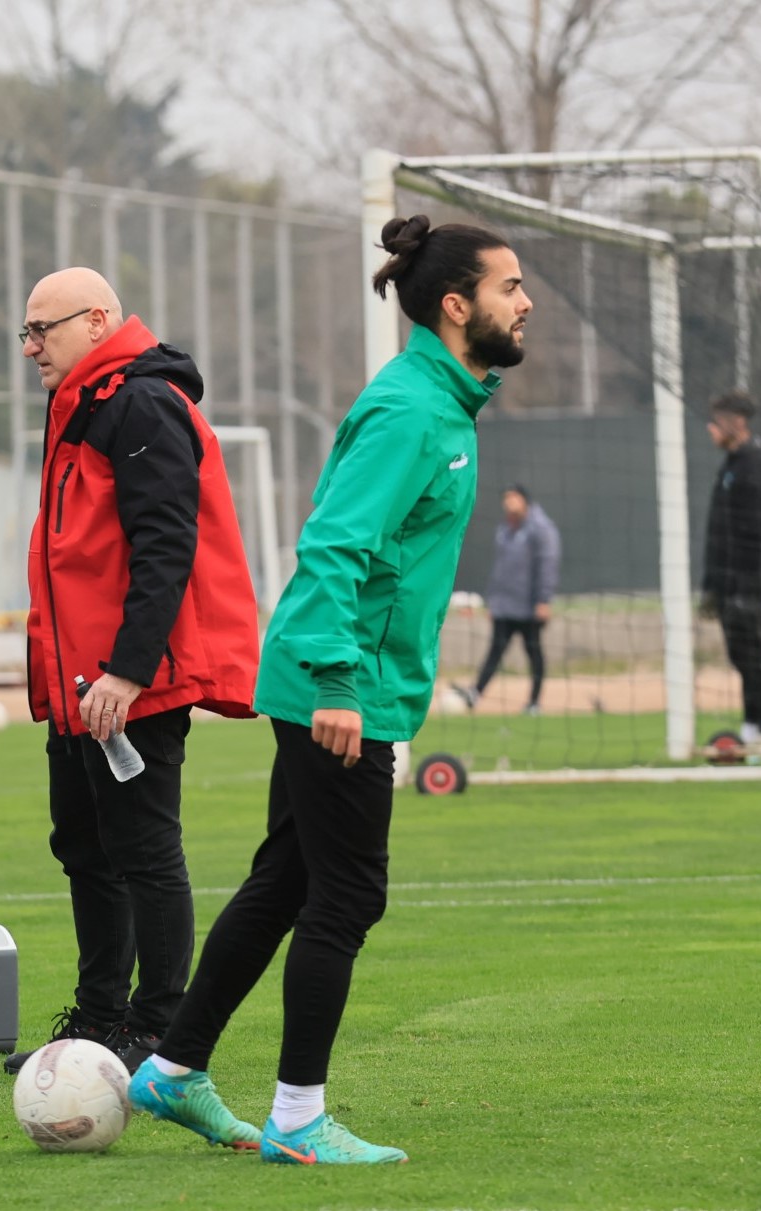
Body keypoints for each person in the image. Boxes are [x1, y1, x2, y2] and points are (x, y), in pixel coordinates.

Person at [130, 215, 531, 1165]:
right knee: (347, 897)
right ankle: (299, 1117)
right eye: (510, 286)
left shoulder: (443, 404)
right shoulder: (410, 413)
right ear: (454, 304)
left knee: (286, 882)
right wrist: (341, 683)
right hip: (335, 689)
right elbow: (332, 548)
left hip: (336, 682)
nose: (524, 304)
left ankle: (174, 1069)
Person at [5, 267, 261, 1078]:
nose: (30, 346)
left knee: (145, 848)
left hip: (124, 683)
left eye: (43, 328)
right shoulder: (82, 401)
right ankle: (100, 1017)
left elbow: (166, 546)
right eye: (27, 331)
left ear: (99, 319)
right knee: (83, 844)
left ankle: (159, 1026)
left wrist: (127, 671)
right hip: (80, 680)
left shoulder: (141, 401)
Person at [701, 391, 761, 748]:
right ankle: (755, 722)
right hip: (729, 583)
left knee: (754, 652)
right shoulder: (732, 465)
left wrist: (749, 585)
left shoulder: (756, 466)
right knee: (740, 653)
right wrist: (712, 586)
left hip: (748, 584)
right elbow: (719, 532)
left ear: (737, 422)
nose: (711, 428)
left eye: (716, 421)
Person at [455, 485, 560, 714]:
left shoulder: (541, 529)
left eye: (513, 498)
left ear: (524, 500)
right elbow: (499, 569)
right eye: (505, 498)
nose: (508, 503)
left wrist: (543, 599)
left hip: (529, 606)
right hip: (505, 606)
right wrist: (493, 600)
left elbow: (547, 565)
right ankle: (476, 693)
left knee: (534, 653)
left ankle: (534, 702)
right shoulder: (504, 528)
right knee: (495, 650)